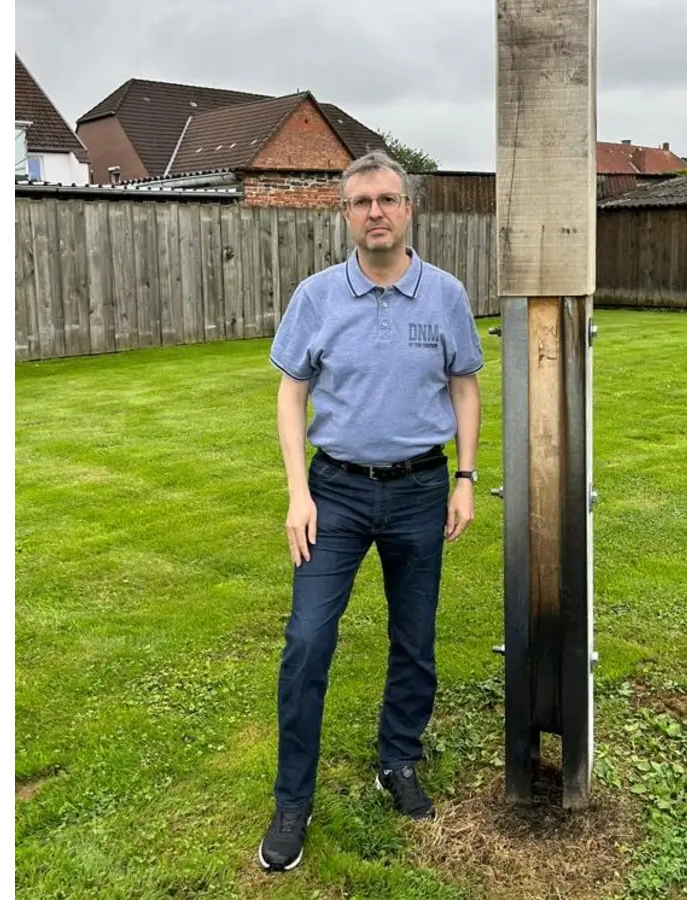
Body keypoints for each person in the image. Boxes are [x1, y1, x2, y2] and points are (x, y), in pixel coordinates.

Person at [256, 150, 484, 873]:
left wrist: (466, 477)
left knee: (414, 640)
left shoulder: (444, 295)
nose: (376, 212)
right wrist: (299, 493)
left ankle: (399, 760)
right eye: (362, 202)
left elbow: (465, 386)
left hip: (421, 489)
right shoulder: (317, 297)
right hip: (336, 495)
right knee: (307, 642)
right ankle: (294, 800)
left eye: (388, 199)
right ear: (346, 215)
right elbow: (291, 394)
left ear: (409, 208)